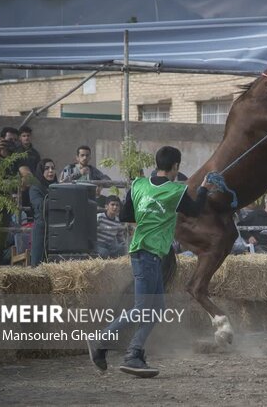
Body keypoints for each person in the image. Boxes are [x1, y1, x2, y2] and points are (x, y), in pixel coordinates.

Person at [87, 146, 213, 378]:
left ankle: (134, 353)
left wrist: (149, 215)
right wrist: (204, 188)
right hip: (148, 254)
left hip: (144, 252)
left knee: (155, 308)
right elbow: (194, 212)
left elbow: (126, 216)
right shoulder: (177, 190)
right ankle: (102, 340)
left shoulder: (138, 185)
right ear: (176, 166)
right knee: (143, 308)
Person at [29, 159, 57, 266]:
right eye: (47, 168)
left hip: (58, 228)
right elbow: (40, 205)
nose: (50, 171)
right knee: (38, 264)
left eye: (53, 168)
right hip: (42, 228)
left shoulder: (58, 186)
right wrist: (56, 196)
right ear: (41, 171)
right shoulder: (35, 188)